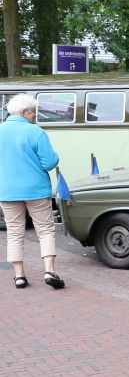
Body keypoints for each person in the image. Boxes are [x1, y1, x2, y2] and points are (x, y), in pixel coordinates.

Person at [0, 94, 63, 289]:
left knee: (14, 232)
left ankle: (19, 276)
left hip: (7, 191)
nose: (35, 115)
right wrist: (56, 155)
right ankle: (49, 271)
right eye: (32, 111)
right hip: (36, 190)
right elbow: (49, 162)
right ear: (24, 112)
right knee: (44, 230)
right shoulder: (36, 132)